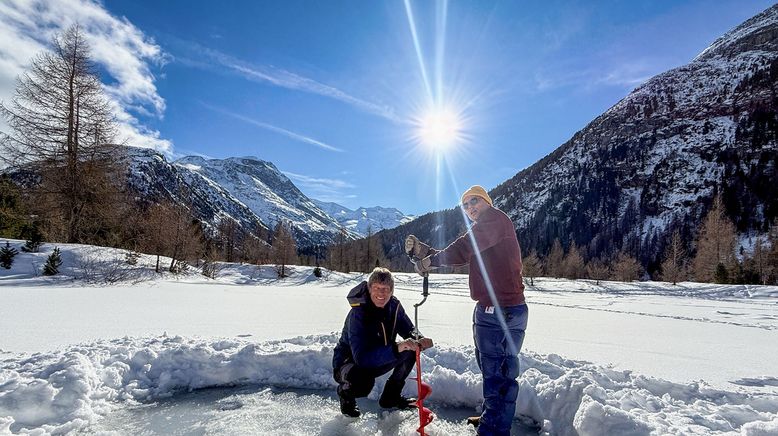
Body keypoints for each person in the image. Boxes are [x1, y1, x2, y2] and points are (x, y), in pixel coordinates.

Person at [405, 185, 528, 436]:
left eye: (475, 201)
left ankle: (493, 431)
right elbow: (464, 254)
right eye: (466, 205)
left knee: (499, 374)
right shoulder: (487, 228)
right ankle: (490, 418)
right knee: (492, 368)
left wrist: (431, 261)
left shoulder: (494, 219)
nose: (471, 208)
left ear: (487, 202)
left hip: (500, 311)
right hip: (494, 309)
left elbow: (465, 247)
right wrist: (432, 255)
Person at [332, 267, 434, 418]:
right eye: (377, 288)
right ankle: (345, 393)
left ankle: (390, 397)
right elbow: (361, 358)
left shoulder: (394, 306)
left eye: (386, 289)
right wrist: (397, 347)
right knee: (363, 382)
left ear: (392, 291)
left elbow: (409, 329)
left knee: (411, 349)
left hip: (379, 357)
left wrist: (418, 339)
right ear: (369, 288)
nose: (381, 293)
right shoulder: (358, 313)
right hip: (350, 365)